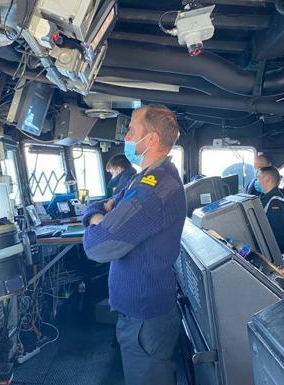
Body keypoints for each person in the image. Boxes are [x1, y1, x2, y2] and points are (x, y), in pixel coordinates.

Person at [81, 104, 186, 385]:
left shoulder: (154, 188)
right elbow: (105, 208)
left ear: (150, 139)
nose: (126, 138)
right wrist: (99, 214)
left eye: (131, 131)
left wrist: (93, 218)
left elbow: (99, 246)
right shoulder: (144, 179)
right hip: (141, 313)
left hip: (145, 318)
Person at [246, 153, 284, 228]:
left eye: (261, 167)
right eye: (256, 168)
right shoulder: (251, 184)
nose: (258, 171)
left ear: (270, 166)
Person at [257, 166, 284, 253]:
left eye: (258, 177)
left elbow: (275, 233)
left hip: (272, 252)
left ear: (267, 179)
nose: (257, 181)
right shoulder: (264, 198)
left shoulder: (276, 201)